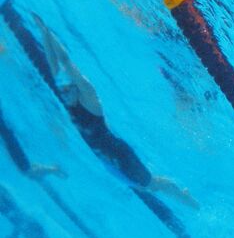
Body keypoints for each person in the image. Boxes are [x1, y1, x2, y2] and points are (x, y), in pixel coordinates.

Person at [38, 20, 198, 208]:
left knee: (150, 185)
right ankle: (170, 187)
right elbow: (54, 67)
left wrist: (50, 33)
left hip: (118, 155)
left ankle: (185, 197)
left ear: (75, 88)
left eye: (66, 91)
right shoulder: (68, 99)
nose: (63, 95)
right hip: (105, 159)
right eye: (62, 92)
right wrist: (43, 31)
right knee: (143, 187)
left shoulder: (90, 101)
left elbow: (66, 63)